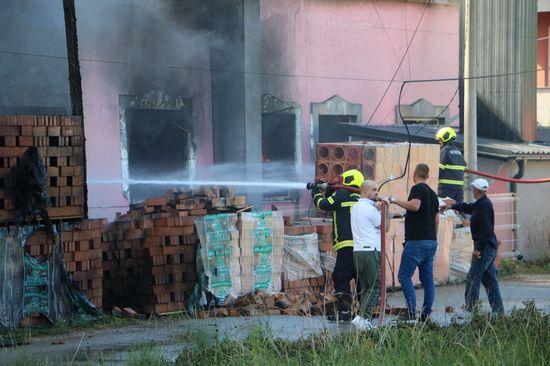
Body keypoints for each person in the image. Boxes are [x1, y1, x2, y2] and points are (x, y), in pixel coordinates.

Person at [444, 178, 504, 319]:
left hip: (484, 246)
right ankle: (498, 311)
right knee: (489, 279)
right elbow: (468, 207)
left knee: (473, 277)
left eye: (473, 188)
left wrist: (478, 249)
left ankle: (470, 310)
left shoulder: (484, 206)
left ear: (477, 190)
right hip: (488, 245)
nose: (472, 190)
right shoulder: (482, 203)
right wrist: (453, 205)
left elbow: (486, 230)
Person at [385, 163, 439, 321]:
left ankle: (410, 312)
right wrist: (433, 239)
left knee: (404, 276)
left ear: (415, 174)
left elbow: (415, 206)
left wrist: (394, 200)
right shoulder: (433, 194)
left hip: (416, 241)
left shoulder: (418, 188)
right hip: (430, 242)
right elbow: (437, 220)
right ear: (427, 176)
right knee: (428, 279)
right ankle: (426, 313)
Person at [312, 169, 364, 321]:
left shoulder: (341, 195)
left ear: (348, 181)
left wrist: (316, 192)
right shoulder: (361, 197)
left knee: (340, 276)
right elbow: (335, 204)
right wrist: (329, 192)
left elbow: (323, 205)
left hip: (347, 245)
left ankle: (345, 312)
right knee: (360, 277)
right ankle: (364, 313)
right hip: (362, 247)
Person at [350, 180, 390, 330]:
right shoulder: (371, 210)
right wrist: (386, 209)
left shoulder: (356, 207)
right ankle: (364, 318)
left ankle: (361, 319)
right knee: (376, 286)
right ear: (366, 192)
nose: (377, 193)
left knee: (366, 287)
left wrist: (378, 207)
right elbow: (385, 227)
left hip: (358, 252)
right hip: (371, 251)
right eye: (374, 190)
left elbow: (369, 216)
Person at [435, 127, 466, 203]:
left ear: (445, 138)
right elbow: (464, 166)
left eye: (440, 139)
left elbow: (439, 170)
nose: (439, 142)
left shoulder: (445, 150)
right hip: (459, 188)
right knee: (458, 210)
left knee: (442, 209)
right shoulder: (458, 151)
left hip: (445, 188)